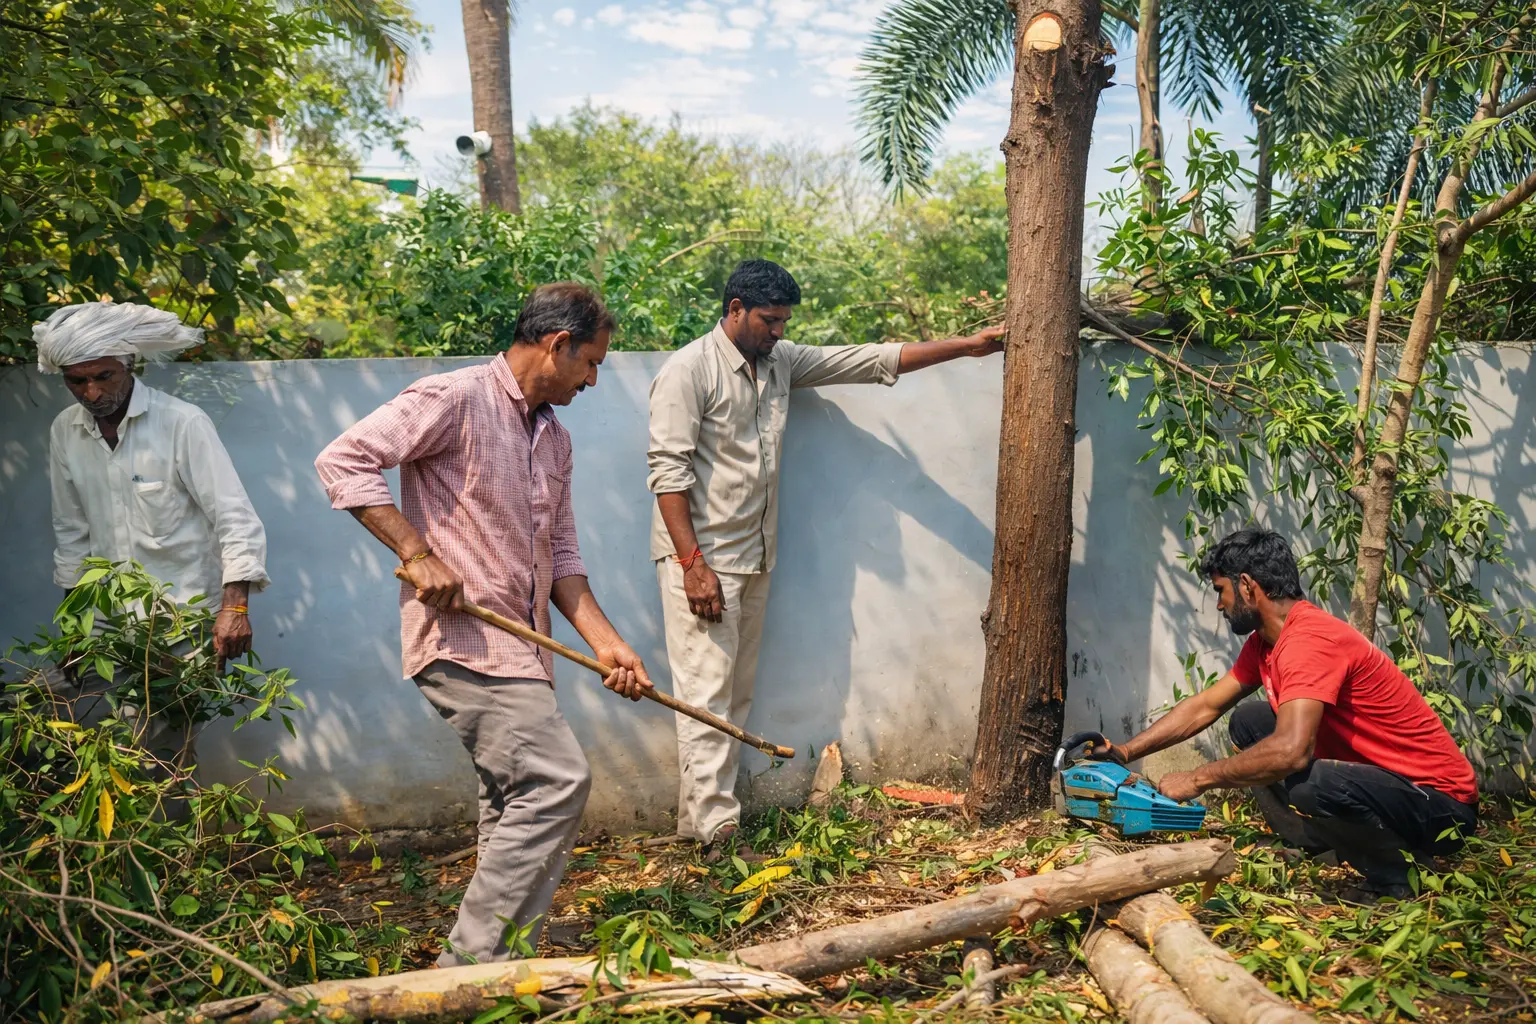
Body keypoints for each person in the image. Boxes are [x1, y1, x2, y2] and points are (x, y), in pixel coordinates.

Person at [314, 283, 653, 966]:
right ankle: (464, 969)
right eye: (591, 363)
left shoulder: (553, 440)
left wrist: (609, 644)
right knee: (555, 780)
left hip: (525, 653)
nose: (593, 379)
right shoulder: (454, 398)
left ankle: (500, 970)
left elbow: (561, 556)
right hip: (463, 640)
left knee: (511, 802)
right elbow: (342, 460)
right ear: (558, 345)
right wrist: (417, 552)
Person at [647, 259, 1005, 859]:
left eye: (785, 321)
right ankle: (716, 833)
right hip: (703, 563)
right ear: (735, 309)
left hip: (753, 555)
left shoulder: (780, 362)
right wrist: (692, 565)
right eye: (769, 320)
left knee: (732, 696)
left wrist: (966, 347)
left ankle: (700, 823)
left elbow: (867, 361)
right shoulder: (689, 370)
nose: (779, 332)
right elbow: (667, 475)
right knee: (705, 694)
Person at [1093, 528, 1479, 901]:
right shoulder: (1266, 643)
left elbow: (1291, 753)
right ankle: (1318, 843)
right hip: (1385, 786)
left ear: (1247, 586)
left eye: (1220, 591)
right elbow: (1206, 705)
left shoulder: (1309, 641)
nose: (1219, 605)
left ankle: (1399, 878)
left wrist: (1198, 778)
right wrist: (1125, 751)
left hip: (1440, 807)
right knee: (1251, 721)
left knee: (1312, 778)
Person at [39, 301, 269, 666]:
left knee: (170, 722)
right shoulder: (64, 430)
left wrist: (235, 607)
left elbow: (233, 517)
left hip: (184, 620)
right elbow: (71, 531)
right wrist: (74, 627)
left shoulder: (182, 423)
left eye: (103, 376)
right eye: (77, 381)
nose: (91, 393)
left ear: (129, 365)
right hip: (107, 625)